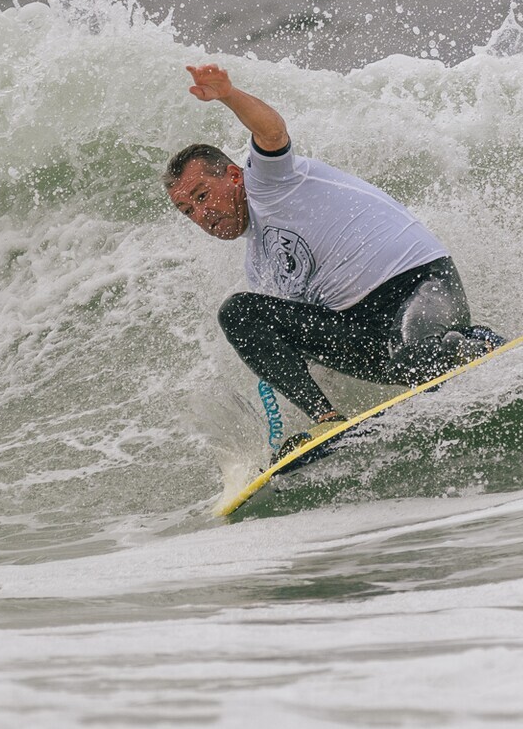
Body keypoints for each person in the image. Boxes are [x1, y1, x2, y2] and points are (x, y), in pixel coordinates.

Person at [166, 63, 504, 454]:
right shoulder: (258, 265)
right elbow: (295, 341)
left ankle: (476, 343)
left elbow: (272, 132)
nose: (202, 215)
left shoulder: (269, 183)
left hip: (420, 285)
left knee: (416, 359)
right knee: (240, 313)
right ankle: (327, 421)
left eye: (203, 195)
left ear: (233, 175)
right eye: (188, 211)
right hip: (367, 333)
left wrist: (228, 95)